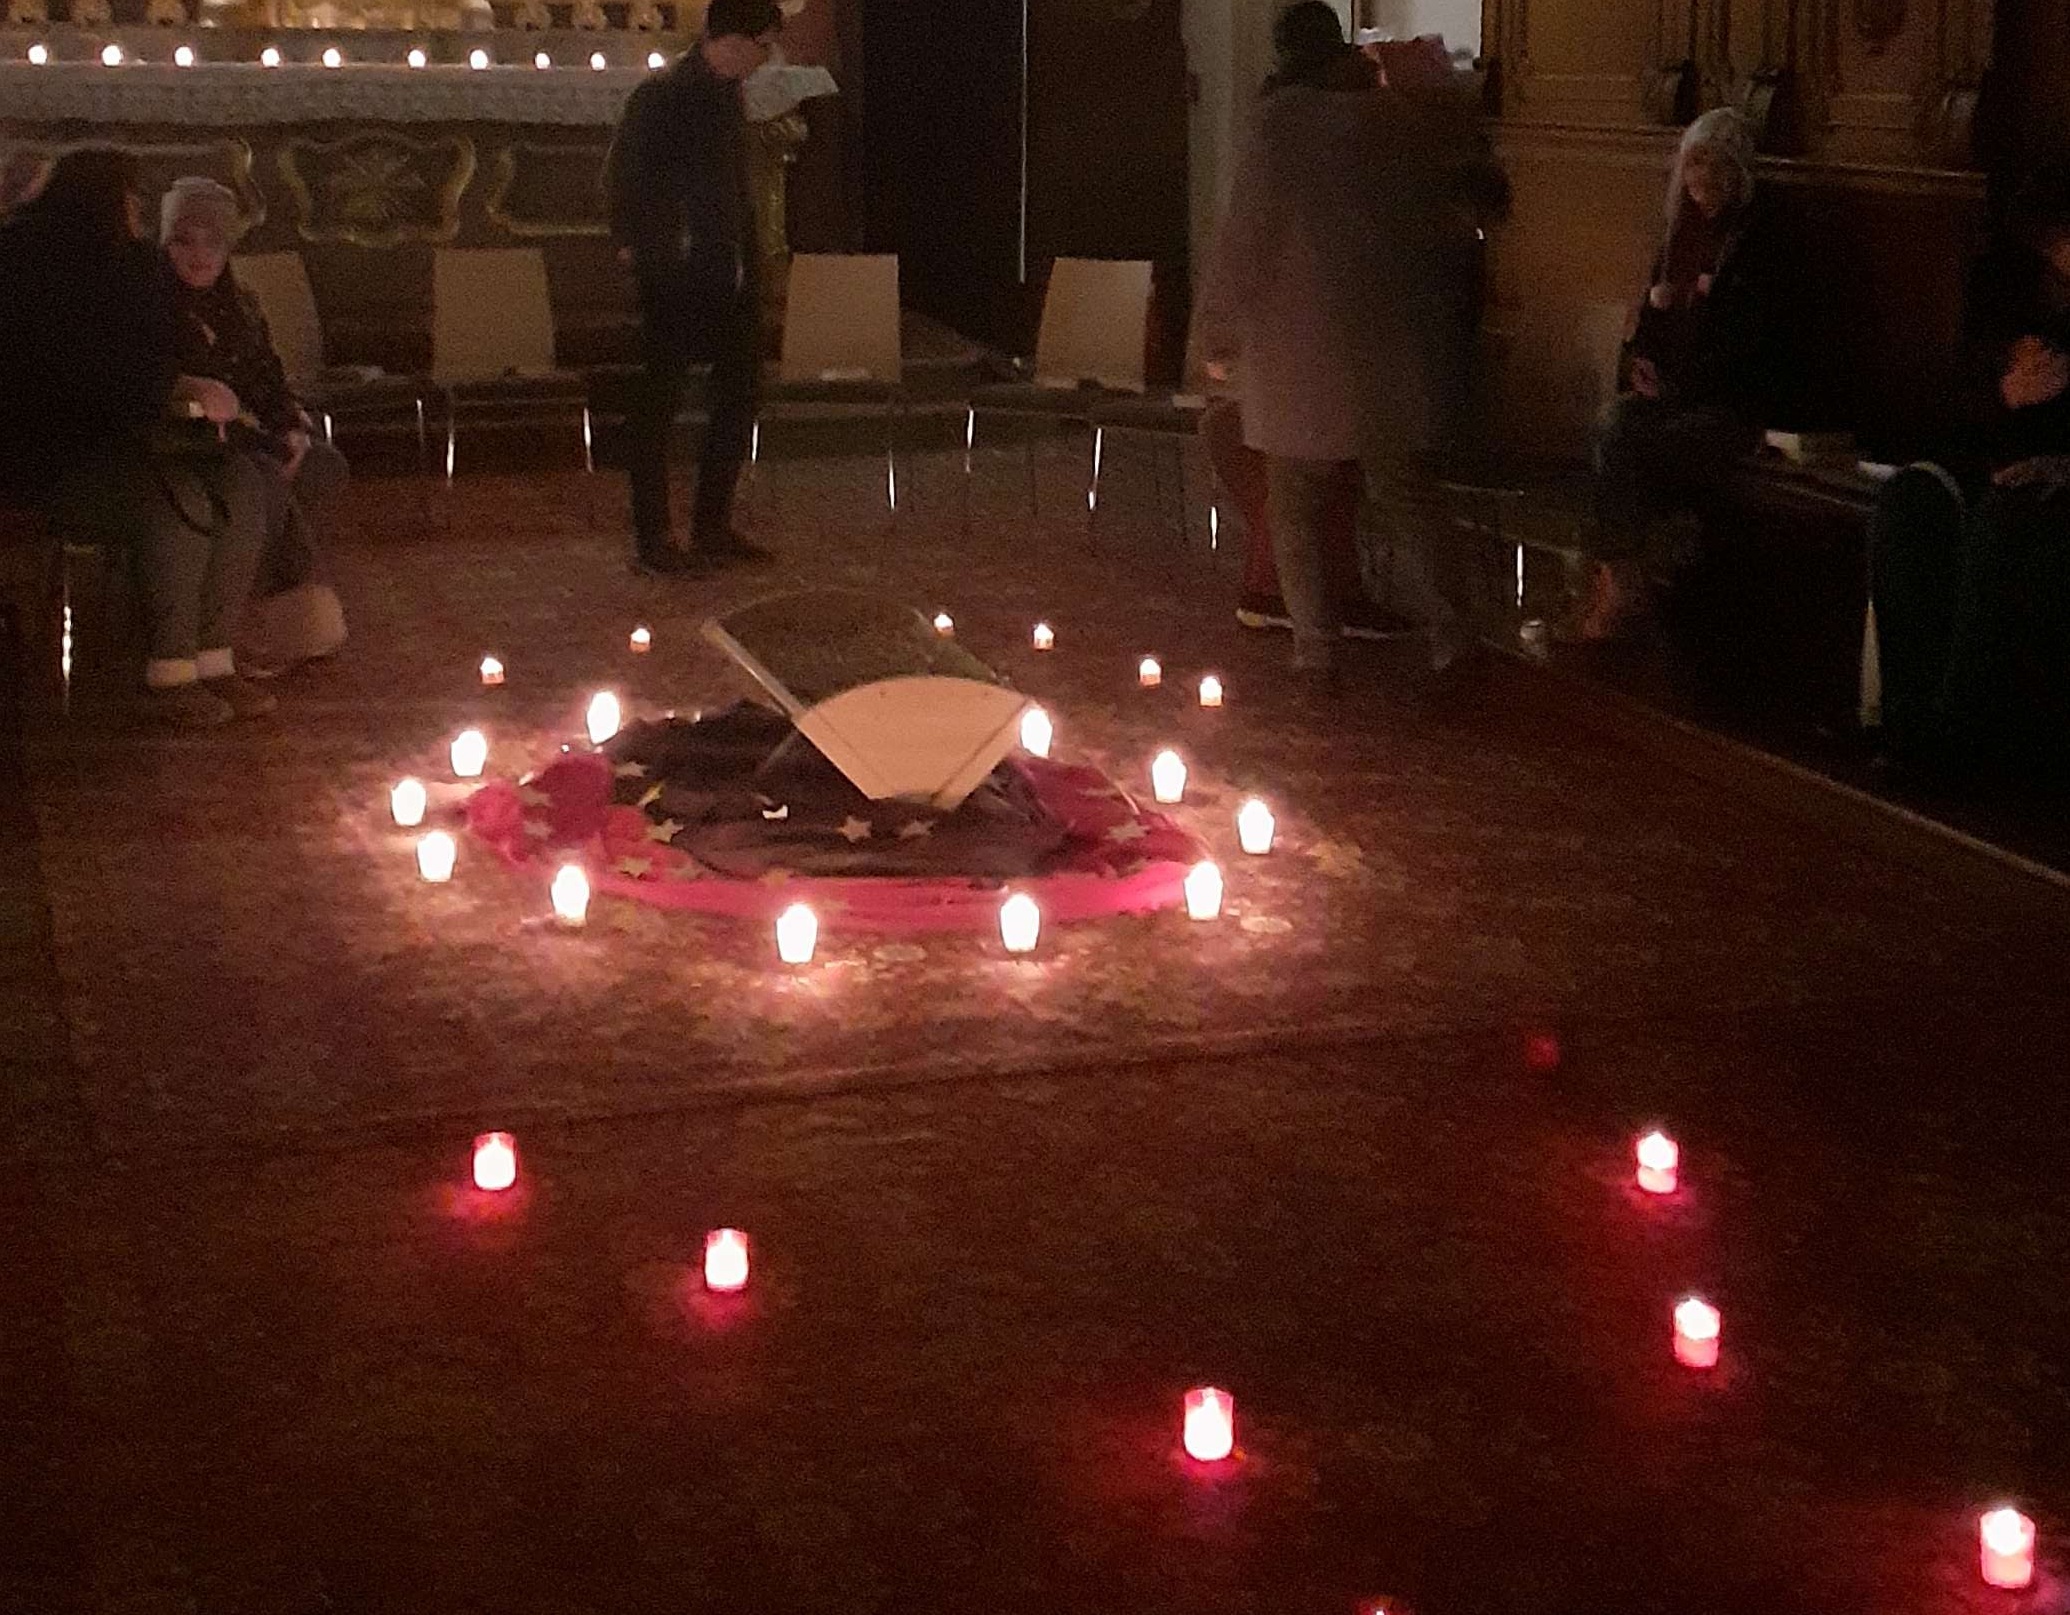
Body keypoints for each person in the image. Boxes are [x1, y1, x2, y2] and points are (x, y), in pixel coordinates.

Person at [1196, 2, 1467, 691]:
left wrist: (1218, 327)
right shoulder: (1392, 119)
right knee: (1405, 494)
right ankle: (1450, 636)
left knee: (1295, 499)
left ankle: (1316, 648)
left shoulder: (1281, 124)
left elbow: (1246, 234)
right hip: (1386, 336)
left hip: (1299, 338)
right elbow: (1434, 220)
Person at [0, 149, 272, 727]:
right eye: (129, 201)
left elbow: (148, 351)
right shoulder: (23, 266)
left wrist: (180, 386)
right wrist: (170, 388)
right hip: (56, 455)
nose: (136, 214)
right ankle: (170, 668)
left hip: (141, 437)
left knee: (244, 486)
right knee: (179, 504)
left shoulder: (130, 266)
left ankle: (215, 654)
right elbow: (68, 372)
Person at [1870, 162, 2070, 776]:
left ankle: (1960, 735)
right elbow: (1955, 401)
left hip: (2052, 481)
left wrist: (2059, 465)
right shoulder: (2011, 289)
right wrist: (2006, 392)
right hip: (1996, 460)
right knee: (1911, 500)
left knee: (2003, 528)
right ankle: (1906, 723)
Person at [1578, 107, 1782, 639]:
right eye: (1693, 164)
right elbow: (1651, 318)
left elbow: (1748, 349)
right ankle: (1626, 575)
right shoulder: (1681, 235)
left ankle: (1626, 582)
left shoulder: (1757, 242)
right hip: (1677, 395)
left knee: (1627, 444)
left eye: (1713, 165)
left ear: (1738, 171)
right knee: (1614, 422)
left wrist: (1679, 379)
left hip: (1730, 405)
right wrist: (1641, 362)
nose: (1700, 178)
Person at [607, 0, 784, 577]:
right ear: (733, 40)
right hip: (676, 273)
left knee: (738, 396)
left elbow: (732, 188)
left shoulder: (728, 95)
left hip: (727, 271)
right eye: (763, 46)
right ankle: (653, 538)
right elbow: (628, 178)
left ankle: (712, 525)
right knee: (658, 404)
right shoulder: (662, 96)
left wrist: (747, 262)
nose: (765, 58)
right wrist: (642, 248)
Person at [160, 176, 348, 677]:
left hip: (252, 433)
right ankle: (246, 623)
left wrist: (290, 428)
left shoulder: (240, 304)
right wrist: (265, 444)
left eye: (213, 243)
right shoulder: (153, 308)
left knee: (322, 465)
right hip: (197, 442)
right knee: (263, 480)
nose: (200, 255)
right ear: (166, 245)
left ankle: (280, 605)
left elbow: (267, 377)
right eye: (185, 241)